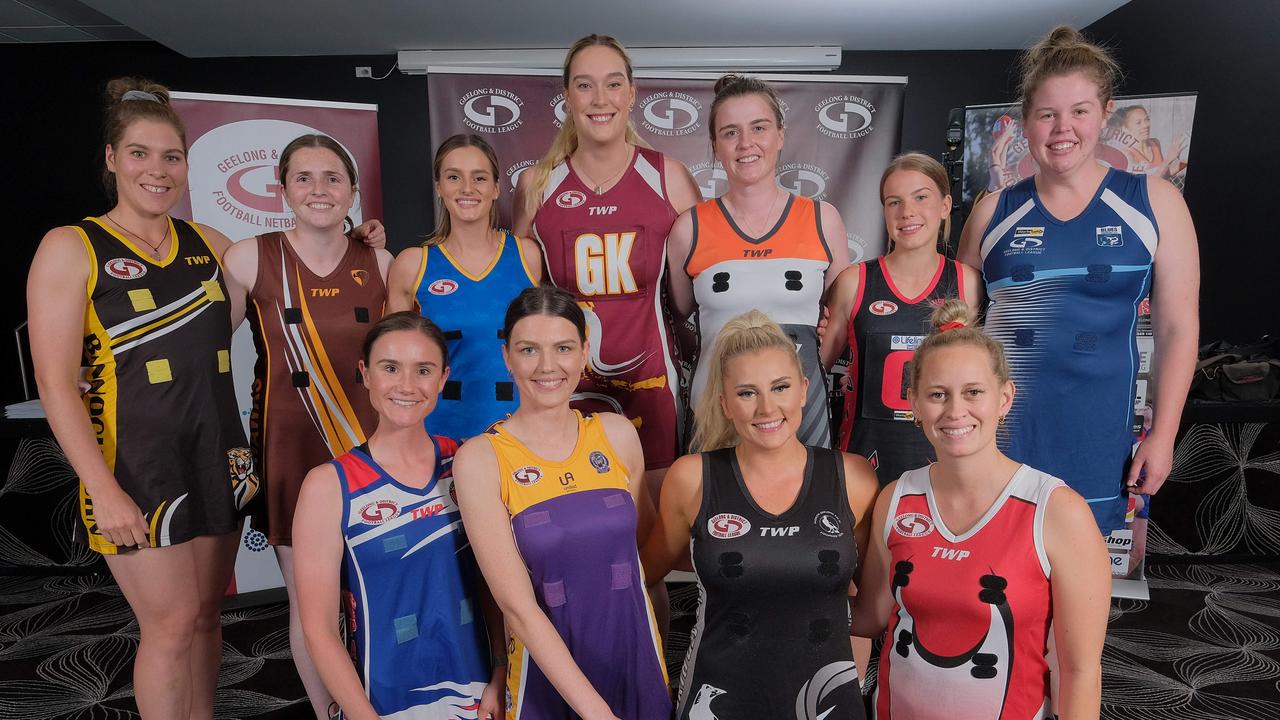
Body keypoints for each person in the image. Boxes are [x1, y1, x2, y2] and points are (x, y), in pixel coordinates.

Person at [27, 78, 252, 719]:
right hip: (132, 463)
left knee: (209, 617)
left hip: (216, 452)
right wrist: (100, 486)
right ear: (110, 158)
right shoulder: (71, 247)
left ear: (187, 165)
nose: (157, 170)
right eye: (140, 154)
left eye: (171, 157)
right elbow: (53, 382)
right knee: (172, 624)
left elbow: (290, 267)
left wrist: (360, 237)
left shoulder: (208, 242)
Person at [958, 25, 1199, 533]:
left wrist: (1164, 435)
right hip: (999, 435)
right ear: (1027, 122)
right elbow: (957, 333)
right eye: (1047, 114)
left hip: (1096, 435)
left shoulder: (1156, 204)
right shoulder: (990, 214)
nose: (1062, 128)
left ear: (1105, 113)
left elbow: (1179, 330)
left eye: (1079, 111)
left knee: (1079, 593)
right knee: (991, 583)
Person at [853, 300, 1110, 719]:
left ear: (1004, 398)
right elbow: (869, 617)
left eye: (973, 392)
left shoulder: (1057, 510)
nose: (956, 411)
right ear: (914, 404)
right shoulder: (896, 497)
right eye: (938, 395)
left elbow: (1080, 670)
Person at [220, 133, 393, 719]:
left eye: (332, 179)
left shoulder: (382, 261)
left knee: (380, 588)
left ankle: (386, 699)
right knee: (310, 603)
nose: (319, 190)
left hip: (370, 450)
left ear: (352, 190)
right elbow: (200, 348)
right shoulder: (249, 257)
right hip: (290, 450)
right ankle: (328, 713)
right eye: (304, 178)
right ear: (283, 188)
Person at [643, 310, 878, 719]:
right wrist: (647, 665)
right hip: (718, 698)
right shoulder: (693, 478)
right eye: (747, 393)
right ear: (725, 403)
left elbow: (870, 605)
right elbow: (642, 577)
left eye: (781, 387)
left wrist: (849, 677)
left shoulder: (853, 477)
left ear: (804, 390)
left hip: (825, 700)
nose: (767, 407)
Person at [454, 285, 670, 720]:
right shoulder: (480, 458)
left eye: (564, 347)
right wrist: (596, 712)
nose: (547, 366)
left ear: (585, 351)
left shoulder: (617, 433)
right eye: (529, 349)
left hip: (636, 660)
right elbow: (516, 606)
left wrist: (656, 662)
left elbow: (646, 562)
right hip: (545, 676)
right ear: (507, 357)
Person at [513, 34, 701, 499]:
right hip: (565, 386)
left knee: (650, 535)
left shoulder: (666, 175)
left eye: (613, 84)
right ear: (567, 97)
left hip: (652, 381)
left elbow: (711, 283)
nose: (600, 99)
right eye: (584, 85)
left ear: (632, 94)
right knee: (574, 524)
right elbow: (514, 285)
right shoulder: (539, 184)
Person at [291, 311, 502, 720]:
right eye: (390, 368)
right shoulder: (328, 486)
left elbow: (497, 587)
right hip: (385, 698)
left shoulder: (469, 461)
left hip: (480, 693)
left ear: (443, 378)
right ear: (365, 373)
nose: (407, 385)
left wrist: (500, 671)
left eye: (423, 370)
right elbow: (318, 631)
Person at [668, 73, 850, 449]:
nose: (746, 143)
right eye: (730, 132)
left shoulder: (822, 219)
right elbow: (676, 318)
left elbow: (841, 317)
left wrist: (812, 371)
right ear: (715, 146)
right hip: (714, 409)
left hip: (800, 409)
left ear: (780, 135)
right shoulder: (690, 228)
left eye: (759, 127)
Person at [823, 153, 983, 485]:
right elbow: (815, 368)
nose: (906, 212)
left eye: (920, 197)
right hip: (865, 454)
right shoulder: (855, 281)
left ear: (944, 205)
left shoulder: (967, 282)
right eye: (894, 202)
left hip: (944, 456)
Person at [388, 133, 541, 439]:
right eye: (454, 177)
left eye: (479, 178)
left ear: (496, 188)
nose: (467, 188)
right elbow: (390, 364)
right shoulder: (412, 264)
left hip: (519, 433)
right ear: (439, 187)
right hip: (439, 432)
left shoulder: (527, 255)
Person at [1109, 105, 1188, 179]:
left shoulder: (1154, 143)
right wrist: (1169, 159)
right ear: (1124, 128)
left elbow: (1163, 174)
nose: (1145, 125)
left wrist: (1185, 160)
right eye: (1138, 123)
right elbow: (1147, 184)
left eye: (1147, 120)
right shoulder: (1126, 155)